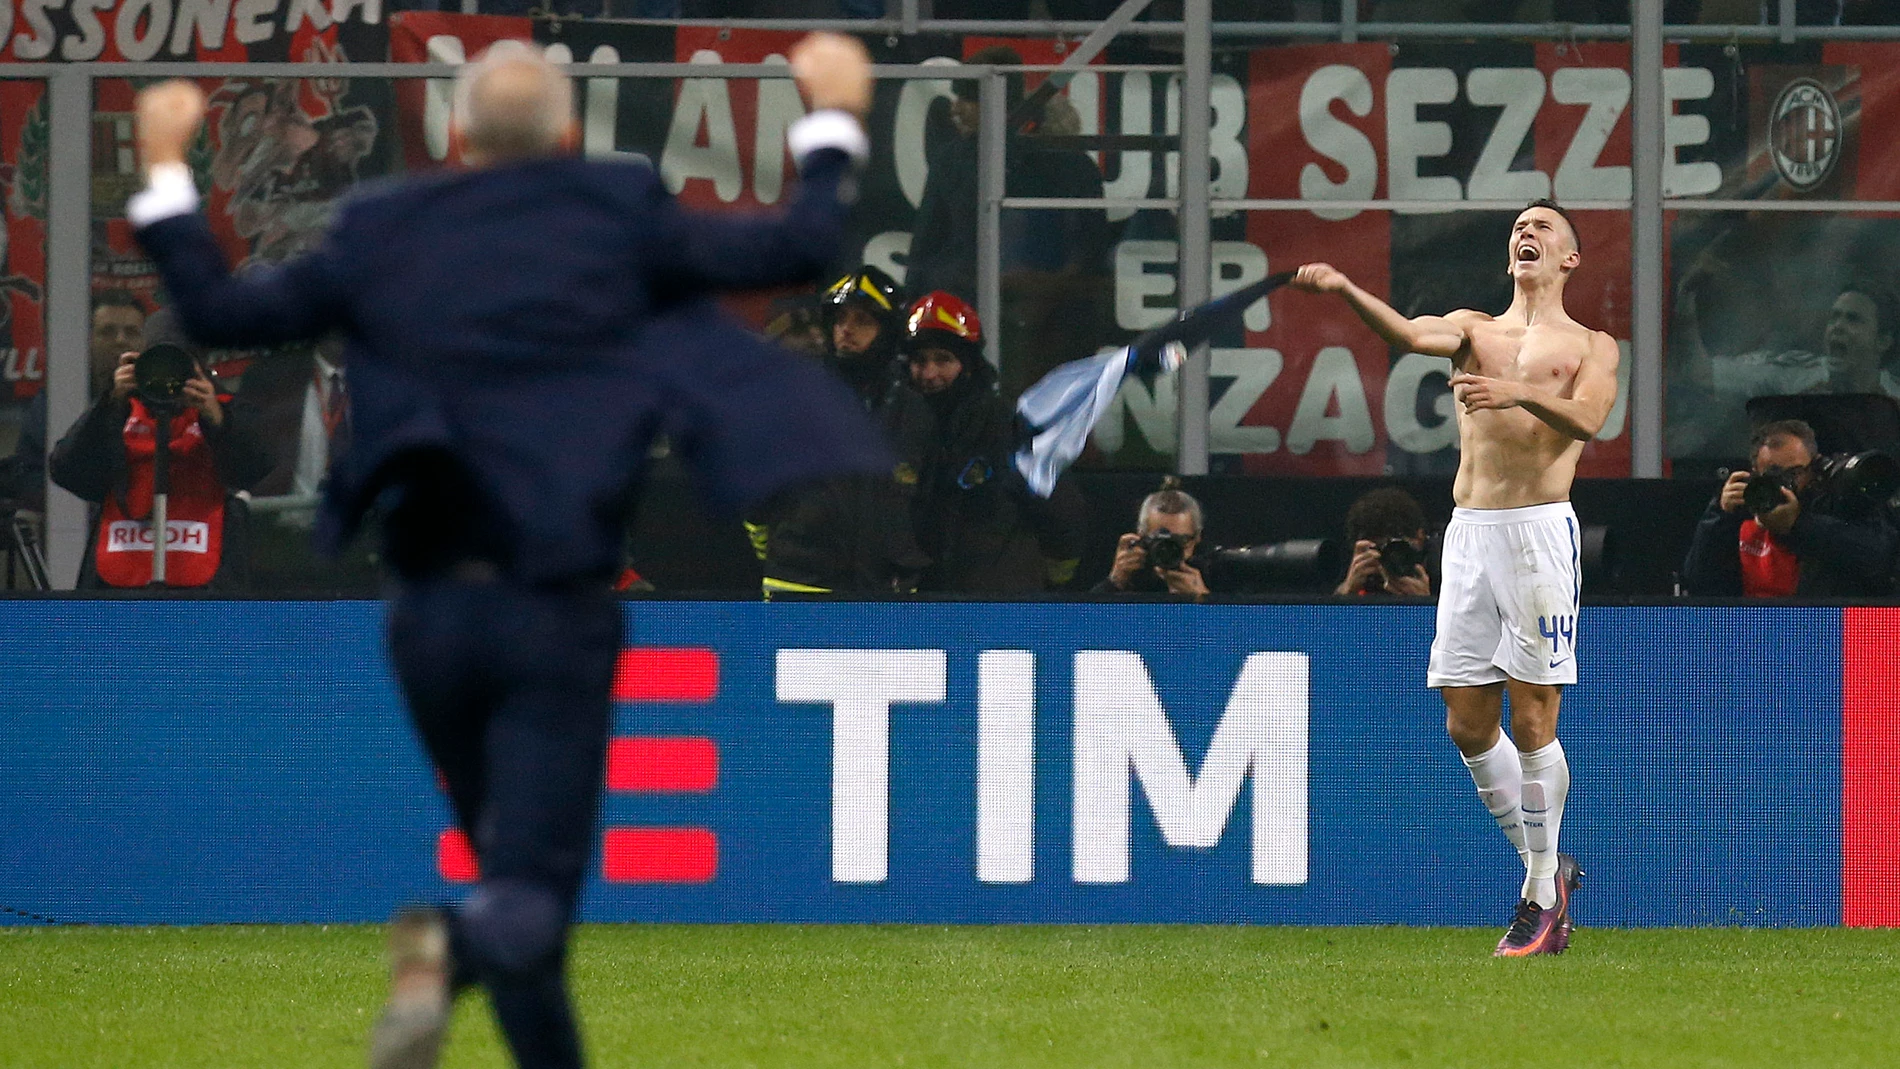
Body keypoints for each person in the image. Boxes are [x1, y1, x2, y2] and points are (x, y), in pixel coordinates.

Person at [128, 33, 881, 1069]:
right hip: (556, 606)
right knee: (525, 898)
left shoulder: (381, 225)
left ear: (456, 137)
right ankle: (447, 945)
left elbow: (217, 311)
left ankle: (478, 948)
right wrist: (833, 113)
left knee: (516, 885)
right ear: (570, 134)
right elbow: (795, 250)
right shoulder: (615, 214)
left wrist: (166, 165)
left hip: (427, 614)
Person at [1292, 197, 1621, 956]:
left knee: (1535, 718)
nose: (1526, 234)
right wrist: (1344, 287)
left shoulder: (1593, 344)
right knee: (1467, 723)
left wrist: (1516, 392)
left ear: (1570, 258)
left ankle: (1539, 895)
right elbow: (1409, 334)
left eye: (1543, 228)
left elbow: (1590, 417)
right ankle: (1546, 870)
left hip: (1538, 534)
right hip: (1469, 535)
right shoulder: (1475, 328)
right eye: (1519, 229)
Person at [746, 265, 935, 597]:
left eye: (862, 321)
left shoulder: (913, 410)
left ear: (889, 331)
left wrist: (905, 566)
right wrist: (784, 555)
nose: (846, 330)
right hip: (800, 585)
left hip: (884, 592)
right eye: (840, 320)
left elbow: (928, 501)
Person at [46, 333, 272, 590]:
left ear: (200, 368)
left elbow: (256, 468)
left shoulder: (226, 410)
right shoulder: (117, 411)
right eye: (156, 362)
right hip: (117, 580)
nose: (168, 375)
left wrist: (216, 417)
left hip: (208, 578)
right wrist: (110, 404)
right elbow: (66, 471)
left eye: (180, 364)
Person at [899, 290, 1084, 593]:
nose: (929, 373)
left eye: (943, 360)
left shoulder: (1009, 428)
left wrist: (1053, 582)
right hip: (922, 606)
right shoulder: (899, 426)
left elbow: (1064, 511)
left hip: (999, 609)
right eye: (920, 360)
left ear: (969, 365)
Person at [1681, 419, 1897, 596]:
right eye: (1773, 474)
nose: (1785, 483)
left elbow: (1879, 558)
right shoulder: (1738, 510)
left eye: (1794, 473)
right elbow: (1699, 582)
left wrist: (1799, 525)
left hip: (1815, 625)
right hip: (1747, 626)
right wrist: (1720, 516)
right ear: (1755, 471)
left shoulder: (1835, 507)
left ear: (1813, 470)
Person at [1, 291, 149, 511]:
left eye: (131, 332)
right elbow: (32, 474)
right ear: (87, 339)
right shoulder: (59, 399)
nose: (120, 341)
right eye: (107, 332)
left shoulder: (161, 399)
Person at [1092, 478, 1212, 600]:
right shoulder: (1132, 576)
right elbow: (1085, 616)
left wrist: (1203, 599)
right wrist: (1115, 582)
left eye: (1180, 540)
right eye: (1159, 539)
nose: (1168, 548)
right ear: (1141, 536)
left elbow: (1229, 618)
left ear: (1197, 538)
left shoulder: (1212, 573)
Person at [1334, 485, 1433, 598]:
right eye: (1380, 551)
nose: (1388, 559)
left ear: (1420, 538)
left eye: (1397, 549)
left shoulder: (1445, 578)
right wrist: (1346, 595)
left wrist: (1424, 603)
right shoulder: (1355, 586)